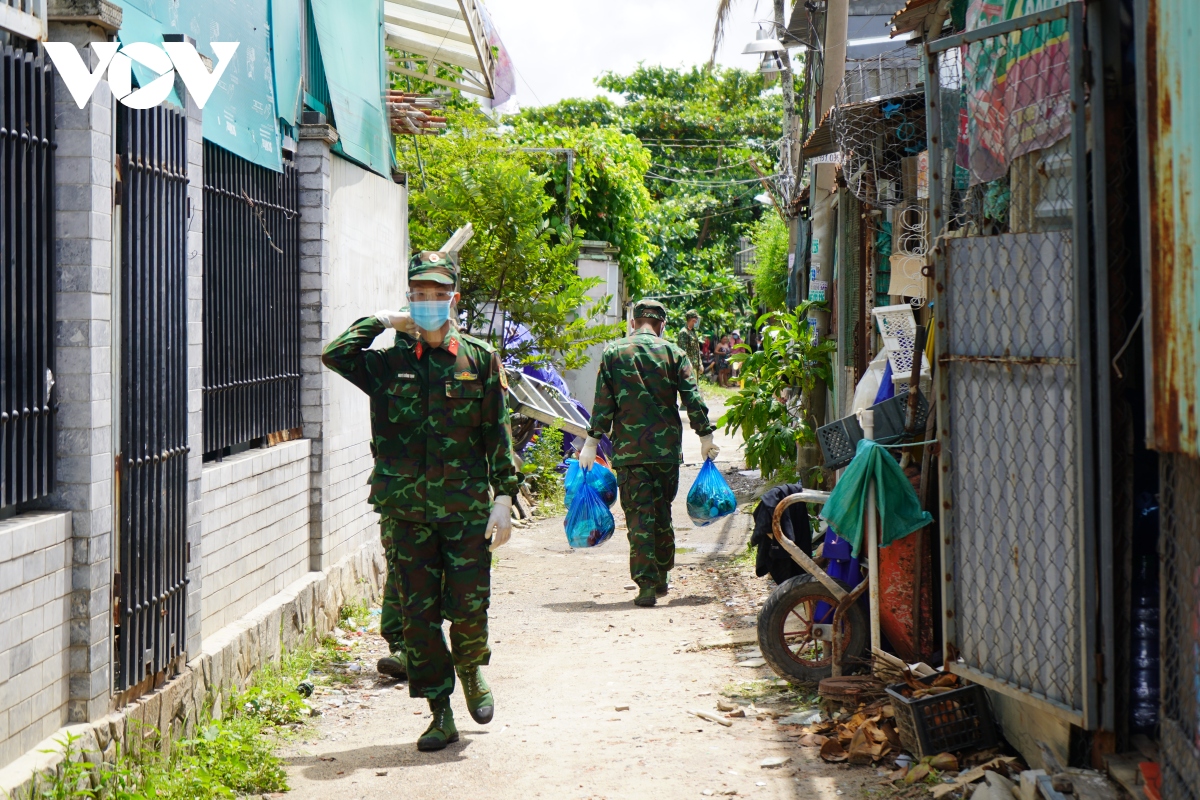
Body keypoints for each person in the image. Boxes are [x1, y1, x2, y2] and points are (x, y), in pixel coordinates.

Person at [322, 251, 521, 752]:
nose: (428, 302)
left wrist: (504, 497)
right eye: (419, 294)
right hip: (407, 512)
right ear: (409, 298)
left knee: (470, 607)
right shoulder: (388, 363)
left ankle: (472, 667)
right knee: (419, 618)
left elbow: (498, 434)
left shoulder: (477, 358)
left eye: (437, 294)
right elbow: (335, 354)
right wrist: (382, 321)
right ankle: (440, 712)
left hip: (465, 511)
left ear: (453, 298)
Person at [579, 299, 719, 607]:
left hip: (630, 453)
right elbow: (692, 399)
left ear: (633, 322)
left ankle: (645, 585)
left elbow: (604, 403)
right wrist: (705, 436)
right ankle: (661, 576)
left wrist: (591, 442)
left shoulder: (614, 354)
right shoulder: (675, 353)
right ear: (662, 325)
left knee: (639, 518)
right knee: (661, 512)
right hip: (666, 452)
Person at [676, 309, 702, 374]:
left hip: (695, 365)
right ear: (692, 320)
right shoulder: (683, 332)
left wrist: (700, 364)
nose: (696, 322)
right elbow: (683, 351)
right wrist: (688, 365)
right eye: (695, 320)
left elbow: (697, 349)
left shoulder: (693, 332)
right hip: (688, 367)